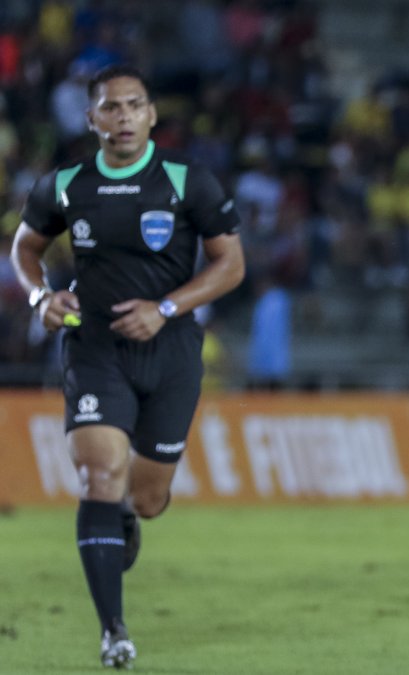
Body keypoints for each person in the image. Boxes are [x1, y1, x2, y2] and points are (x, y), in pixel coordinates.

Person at [11, 64, 244, 668]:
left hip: (169, 352)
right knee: (98, 475)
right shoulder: (64, 184)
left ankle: (123, 518)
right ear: (91, 119)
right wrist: (41, 296)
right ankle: (113, 630)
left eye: (133, 105)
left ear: (151, 115)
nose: (122, 118)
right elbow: (25, 248)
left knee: (147, 498)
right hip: (93, 347)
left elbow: (230, 265)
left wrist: (165, 308)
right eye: (109, 108)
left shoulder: (187, 180)